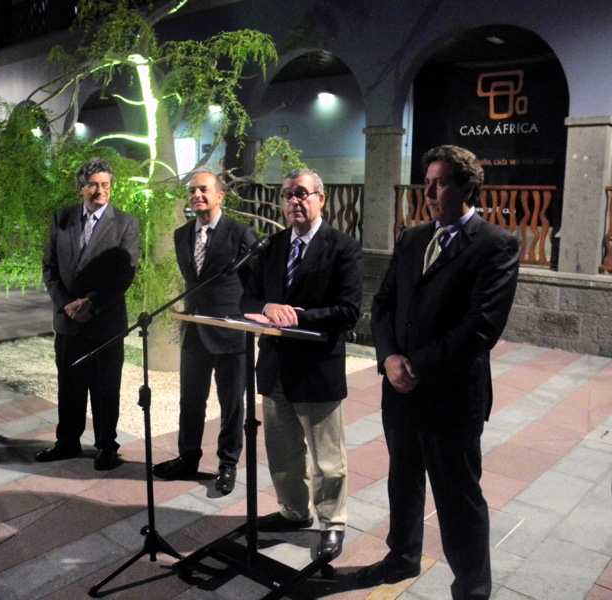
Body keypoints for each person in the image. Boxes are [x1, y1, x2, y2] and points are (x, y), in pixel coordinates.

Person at [359, 145, 520, 599]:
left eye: (440, 182)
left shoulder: (495, 245)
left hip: (451, 397)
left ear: (467, 188)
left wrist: (416, 365)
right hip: (401, 390)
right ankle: (402, 556)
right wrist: (389, 358)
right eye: (426, 181)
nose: (428, 192)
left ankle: (472, 588)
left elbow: (481, 328)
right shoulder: (412, 239)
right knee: (403, 481)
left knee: (458, 497)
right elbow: (384, 305)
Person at [241, 168, 363, 560]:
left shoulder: (342, 247)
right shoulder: (271, 246)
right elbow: (248, 299)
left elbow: (348, 311)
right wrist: (265, 307)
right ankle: (294, 512)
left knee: (328, 460)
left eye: (303, 194)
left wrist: (297, 316)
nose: (295, 201)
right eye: (288, 195)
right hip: (275, 368)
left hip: (316, 370)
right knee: (283, 453)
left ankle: (332, 523)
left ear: (321, 199)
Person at [153, 171, 258, 495]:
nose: (197, 194)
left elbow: (258, 284)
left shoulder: (241, 233)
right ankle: (188, 457)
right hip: (195, 332)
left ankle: (227, 465)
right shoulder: (182, 234)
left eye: (204, 189)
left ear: (220, 196)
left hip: (230, 333)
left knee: (231, 406)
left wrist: (252, 319)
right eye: (193, 190)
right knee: (191, 401)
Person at [38, 157, 140, 471]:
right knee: (69, 385)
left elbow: (125, 274)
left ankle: (107, 446)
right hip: (68, 323)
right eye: (93, 184)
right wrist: (68, 304)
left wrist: (90, 304)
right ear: (81, 187)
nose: (100, 190)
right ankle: (67, 442)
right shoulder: (61, 219)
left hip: (105, 323)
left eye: (105, 184)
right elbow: (50, 268)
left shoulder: (126, 223)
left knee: (106, 387)